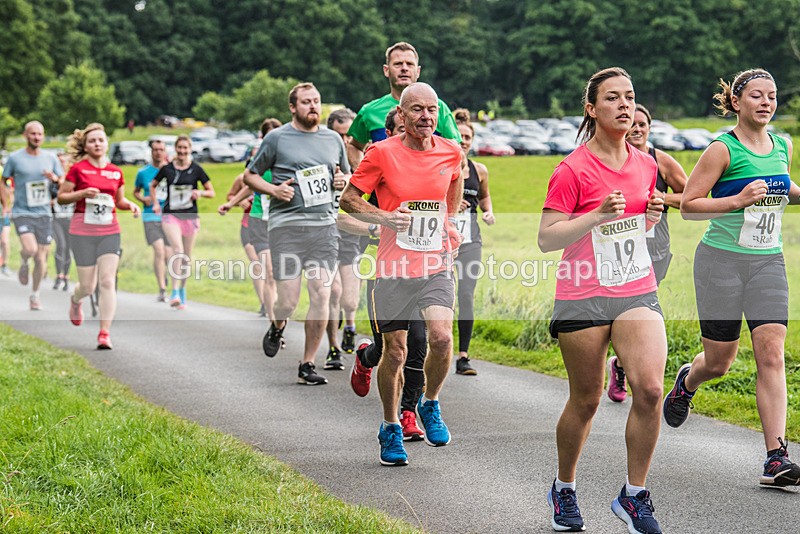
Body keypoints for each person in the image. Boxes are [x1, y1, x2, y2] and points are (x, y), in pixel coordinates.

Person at [537, 68, 666, 533]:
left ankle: (634, 495)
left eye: (629, 97)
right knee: (587, 399)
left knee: (650, 389)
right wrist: (595, 215)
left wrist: (650, 218)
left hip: (635, 288)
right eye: (613, 98)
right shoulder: (572, 169)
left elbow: (630, 229)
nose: (624, 105)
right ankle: (564, 487)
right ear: (592, 109)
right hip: (583, 295)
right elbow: (547, 238)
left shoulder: (646, 164)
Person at [664, 68, 800, 488]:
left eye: (771, 95)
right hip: (719, 262)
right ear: (737, 102)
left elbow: (784, 186)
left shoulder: (783, 145)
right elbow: (689, 205)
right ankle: (688, 382)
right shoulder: (722, 149)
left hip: (767, 262)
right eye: (756, 95)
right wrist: (738, 200)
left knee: (771, 352)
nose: (766, 102)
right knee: (719, 362)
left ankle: (776, 457)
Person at [341, 82, 464, 466]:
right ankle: (390, 425)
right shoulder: (381, 153)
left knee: (442, 338)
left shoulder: (451, 151)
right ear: (402, 114)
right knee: (395, 352)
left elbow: (455, 181)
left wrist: (450, 222)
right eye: (417, 110)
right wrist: (385, 217)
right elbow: (348, 199)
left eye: (432, 109)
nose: (426, 116)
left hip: (436, 263)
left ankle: (430, 402)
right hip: (393, 268)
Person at [244, 83, 351, 386]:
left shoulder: (333, 139)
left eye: (316, 101)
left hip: (323, 228)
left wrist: (342, 181)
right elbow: (249, 175)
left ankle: (307, 363)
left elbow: (345, 175)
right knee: (288, 301)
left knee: (322, 292)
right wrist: (273, 189)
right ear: (293, 107)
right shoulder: (277, 138)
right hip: (287, 228)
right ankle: (278, 325)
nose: (313, 106)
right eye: (306, 102)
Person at [348, 108, 429, 442]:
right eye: (400, 129)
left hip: (421, 267)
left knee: (419, 343)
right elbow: (342, 215)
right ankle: (365, 358)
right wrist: (380, 223)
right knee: (390, 350)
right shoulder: (377, 167)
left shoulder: (425, 170)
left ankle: (408, 413)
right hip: (381, 268)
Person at [608, 104, 688, 403]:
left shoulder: (661, 161)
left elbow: (692, 197)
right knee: (622, 311)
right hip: (620, 250)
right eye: (633, 124)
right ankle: (625, 364)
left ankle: (621, 365)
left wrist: (662, 197)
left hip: (656, 251)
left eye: (643, 124)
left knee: (638, 310)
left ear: (650, 128)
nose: (638, 129)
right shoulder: (614, 161)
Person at [58, 122, 140, 349]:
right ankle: (76, 300)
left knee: (107, 280)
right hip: (82, 232)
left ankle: (104, 333)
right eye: (92, 141)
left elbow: (119, 201)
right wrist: (82, 193)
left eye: (101, 140)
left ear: (106, 144)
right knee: (87, 286)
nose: (97, 144)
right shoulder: (78, 169)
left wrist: (130, 205)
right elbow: (62, 197)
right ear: (85, 145)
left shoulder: (116, 171)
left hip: (109, 231)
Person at [346, 41, 460, 171]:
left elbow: (455, 150)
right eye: (398, 64)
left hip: (428, 181)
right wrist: (364, 174)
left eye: (410, 64)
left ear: (418, 71)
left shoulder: (438, 108)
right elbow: (354, 146)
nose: (404, 68)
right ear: (386, 70)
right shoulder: (370, 111)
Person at [219, 117, 283, 322]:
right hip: (259, 221)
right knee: (269, 272)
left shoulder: (290, 161)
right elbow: (249, 185)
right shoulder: (260, 162)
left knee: (283, 276)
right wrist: (231, 203)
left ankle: (279, 313)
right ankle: (274, 326)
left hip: (283, 224)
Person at [1, 121, 64, 310]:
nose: (36, 137)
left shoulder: (50, 158)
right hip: (22, 211)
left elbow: (63, 180)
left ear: (43, 136)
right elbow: (3, 181)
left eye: (39, 134)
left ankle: (35, 295)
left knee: (41, 258)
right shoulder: (15, 158)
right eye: (33, 134)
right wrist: (6, 204)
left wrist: (55, 179)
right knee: (30, 249)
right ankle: (23, 260)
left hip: (44, 213)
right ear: (25, 135)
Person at [452, 109, 495, 376]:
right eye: (459, 136)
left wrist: (489, 212)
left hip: (470, 241)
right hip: (443, 243)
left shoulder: (480, 170)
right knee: (441, 297)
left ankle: (463, 356)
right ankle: (434, 348)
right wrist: (451, 206)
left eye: (467, 137)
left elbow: (485, 197)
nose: (463, 141)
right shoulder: (441, 167)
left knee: (466, 295)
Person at [150, 135, 215, 309]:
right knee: (177, 250)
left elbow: (211, 192)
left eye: (185, 148)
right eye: (179, 147)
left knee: (186, 257)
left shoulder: (196, 169)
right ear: (175, 148)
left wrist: (199, 193)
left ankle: (183, 289)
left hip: (190, 216)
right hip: (170, 215)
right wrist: (155, 203)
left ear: (190, 149)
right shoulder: (167, 169)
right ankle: (174, 291)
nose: (182, 151)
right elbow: (152, 185)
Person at [325, 107, 359, 369]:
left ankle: (350, 326)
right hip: (324, 237)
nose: (345, 141)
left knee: (349, 299)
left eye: (349, 135)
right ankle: (333, 348)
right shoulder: (321, 161)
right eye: (339, 135)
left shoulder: (363, 163)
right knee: (333, 292)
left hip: (352, 236)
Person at [133, 139, 172, 302]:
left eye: (161, 149)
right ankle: (162, 288)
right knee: (159, 250)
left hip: (169, 215)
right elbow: (135, 191)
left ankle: (165, 276)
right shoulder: (143, 173)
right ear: (151, 152)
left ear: (165, 151)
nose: (158, 152)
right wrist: (143, 199)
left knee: (169, 254)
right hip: (150, 216)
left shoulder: (171, 170)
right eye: (155, 150)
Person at [51, 152, 75, 291]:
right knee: (61, 245)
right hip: (56, 219)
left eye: (63, 161)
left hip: (70, 218)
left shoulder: (73, 179)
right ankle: (58, 275)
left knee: (68, 248)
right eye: (58, 162)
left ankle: (66, 276)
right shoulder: (51, 180)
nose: (61, 164)